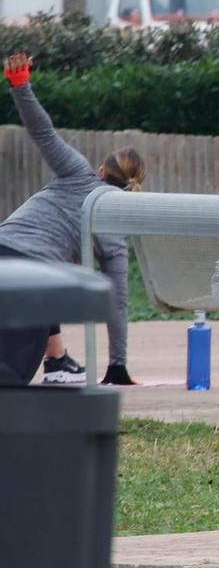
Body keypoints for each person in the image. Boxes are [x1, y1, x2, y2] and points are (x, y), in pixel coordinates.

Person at [1, 53, 142, 386]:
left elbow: (44, 133)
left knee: (48, 282)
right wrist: (117, 365)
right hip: (34, 279)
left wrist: (21, 85)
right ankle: (56, 362)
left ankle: (58, 360)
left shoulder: (79, 173)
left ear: (102, 171)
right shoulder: (115, 232)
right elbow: (118, 304)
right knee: (11, 373)